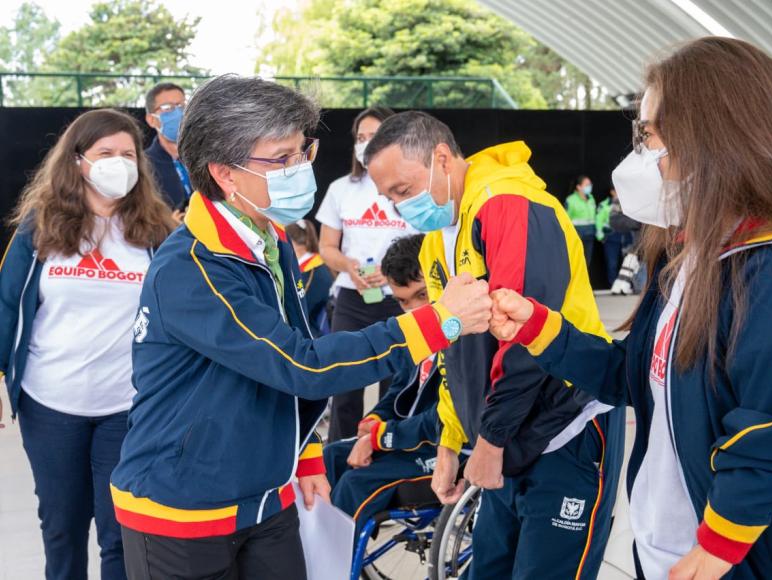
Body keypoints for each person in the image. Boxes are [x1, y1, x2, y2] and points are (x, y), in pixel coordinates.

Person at [109, 75, 492, 580]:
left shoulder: (268, 240)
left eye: (302, 151)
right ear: (225, 173)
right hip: (184, 510)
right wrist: (439, 322)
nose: (301, 169)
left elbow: (292, 348)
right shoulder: (194, 268)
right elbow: (301, 365)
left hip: (268, 497)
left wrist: (307, 454)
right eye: (282, 158)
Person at [488, 37, 772, 580]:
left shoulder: (767, 269)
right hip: (665, 544)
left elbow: (767, 424)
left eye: (647, 135)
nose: (638, 155)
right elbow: (637, 377)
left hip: (731, 559)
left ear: (709, 135)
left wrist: (720, 544)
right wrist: (544, 331)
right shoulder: (687, 261)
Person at [365, 111, 624, 579]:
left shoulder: (507, 203)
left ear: (441, 158)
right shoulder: (435, 241)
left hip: (563, 426)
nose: (397, 208)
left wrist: (489, 440)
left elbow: (527, 337)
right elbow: (453, 353)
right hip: (503, 442)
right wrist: (450, 441)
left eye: (402, 191)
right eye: (388, 198)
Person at [0, 109, 175, 580]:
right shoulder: (39, 228)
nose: (119, 163)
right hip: (50, 403)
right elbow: (6, 304)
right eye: (105, 154)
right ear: (78, 161)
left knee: (120, 532)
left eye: (127, 154)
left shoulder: (157, 234)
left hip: (127, 406)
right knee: (61, 526)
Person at [323, 234, 444, 534]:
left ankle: (331, 566)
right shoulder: (415, 337)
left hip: (448, 450)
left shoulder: (466, 340)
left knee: (354, 483)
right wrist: (375, 419)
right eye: (403, 301)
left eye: (422, 296)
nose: (414, 310)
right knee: (327, 457)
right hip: (409, 440)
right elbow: (396, 392)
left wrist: (379, 438)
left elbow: (444, 420)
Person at [316, 107, 419, 442]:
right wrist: (350, 267)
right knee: (345, 389)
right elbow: (326, 247)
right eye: (360, 137)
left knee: (398, 388)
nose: (365, 144)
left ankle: (387, 461)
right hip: (351, 299)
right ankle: (337, 466)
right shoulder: (340, 189)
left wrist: (395, 279)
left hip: (399, 301)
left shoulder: (409, 188)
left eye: (374, 136)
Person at [144, 82, 192, 220]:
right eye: (167, 108)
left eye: (182, 106)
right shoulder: (143, 165)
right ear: (151, 119)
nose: (178, 113)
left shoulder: (205, 156)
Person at [285, 219, 333, 333]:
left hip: (313, 334)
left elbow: (302, 308)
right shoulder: (310, 267)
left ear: (292, 243)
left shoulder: (315, 271)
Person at [597, 186, 638, 286]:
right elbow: (599, 220)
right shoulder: (605, 204)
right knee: (612, 263)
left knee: (629, 261)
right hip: (611, 236)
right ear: (612, 192)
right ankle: (613, 284)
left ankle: (630, 285)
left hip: (626, 236)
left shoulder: (628, 201)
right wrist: (601, 236)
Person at [565, 175, 597, 264]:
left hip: (590, 234)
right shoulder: (570, 200)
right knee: (576, 261)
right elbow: (566, 220)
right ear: (579, 187)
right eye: (586, 185)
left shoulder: (591, 198)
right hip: (577, 234)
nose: (589, 186)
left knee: (587, 261)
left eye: (590, 184)